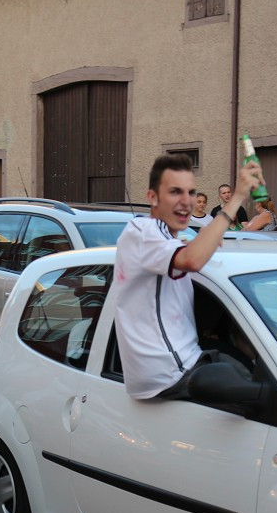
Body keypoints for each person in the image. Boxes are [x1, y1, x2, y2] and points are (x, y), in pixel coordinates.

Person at [112, 153, 262, 400]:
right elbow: (191, 260)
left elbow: (187, 253)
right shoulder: (142, 230)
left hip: (185, 359)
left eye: (191, 193)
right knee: (260, 394)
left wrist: (204, 240)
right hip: (169, 374)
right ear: (152, 197)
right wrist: (237, 197)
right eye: (174, 192)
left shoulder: (166, 239)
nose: (186, 201)